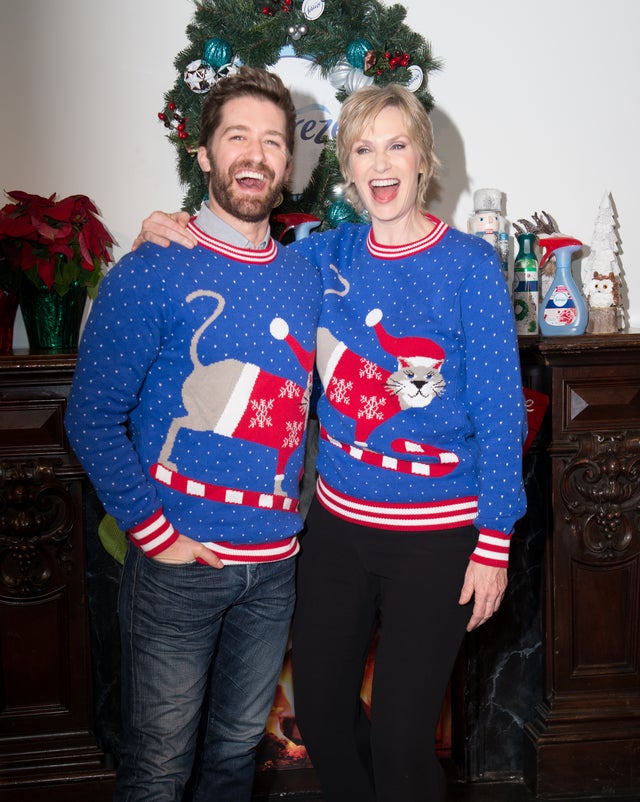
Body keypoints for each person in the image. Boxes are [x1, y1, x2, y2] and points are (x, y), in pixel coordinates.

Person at [137, 82, 527, 802]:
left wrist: (494, 542)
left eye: (397, 144)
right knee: (318, 714)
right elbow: (241, 271)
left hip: (438, 536)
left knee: (402, 741)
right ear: (346, 168)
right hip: (340, 528)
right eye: (362, 148)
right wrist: (166, 233)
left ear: (424, 160)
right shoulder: (320, 259)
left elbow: (503, 411)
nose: (380, 163)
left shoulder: (469, 265)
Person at [65, 66, 322, 802]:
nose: (256, 154)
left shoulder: (306, 277)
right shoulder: (153, 268)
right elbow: (90, 416)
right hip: (178, 568)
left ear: (288, 164)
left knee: (237, 756)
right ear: (204, 154)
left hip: (274, 572)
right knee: (157, 768)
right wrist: (156, 535)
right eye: (237, 136)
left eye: (273, 141)